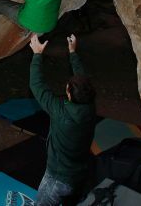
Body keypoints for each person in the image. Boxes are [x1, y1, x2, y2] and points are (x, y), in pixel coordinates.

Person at [29, 33, 96, 206]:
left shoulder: (60, 111)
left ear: (69, 93)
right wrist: (73, 52)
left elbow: (37, 85)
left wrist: (37, 55)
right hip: (79, 175)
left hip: (57, 179)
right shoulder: (90, 107)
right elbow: (83, 80)